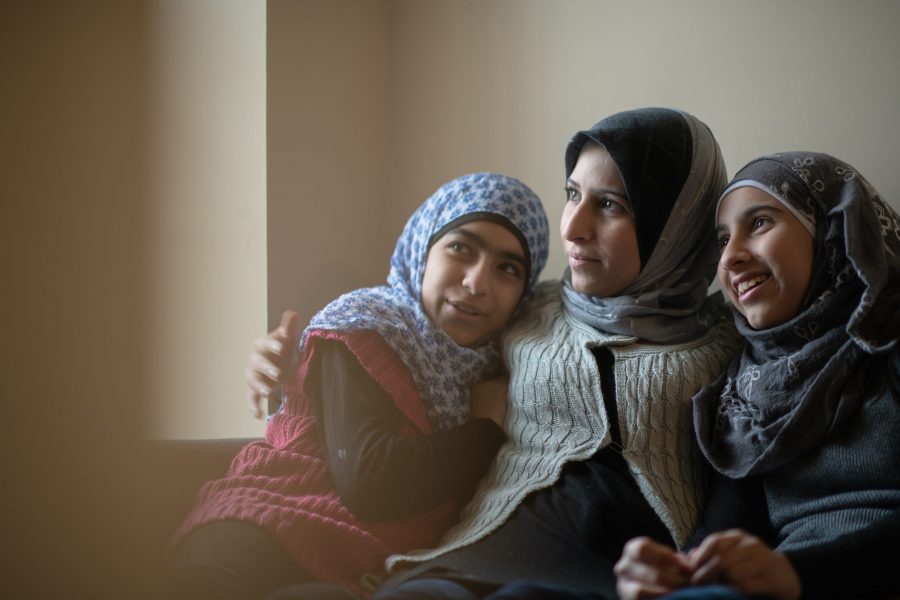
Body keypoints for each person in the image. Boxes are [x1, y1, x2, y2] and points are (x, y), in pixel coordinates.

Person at [373, 107, 743, 600]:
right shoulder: (532, 307)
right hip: (469, 559)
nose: (573, 228)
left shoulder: (727, 345)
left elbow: (745, 478)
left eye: (610, 205)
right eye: (573, 194)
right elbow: (415, 347)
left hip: (614, 578)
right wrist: (301, 368)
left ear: (675, 222)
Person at [165, 172, 550, 600]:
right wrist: (483, 434)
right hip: (259, 533)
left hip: (353, 573)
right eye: (461, 248)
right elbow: (372, 482)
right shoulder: (365, 322)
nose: (477, 283)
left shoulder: (501, 370)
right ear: (423, 246)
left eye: (507, 269)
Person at [614, 152, 900, 600]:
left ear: (830, 229)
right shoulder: (744, 392)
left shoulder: (890, 339)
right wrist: (670, 573)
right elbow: (722, 537)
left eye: (760, 223)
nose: (731, 258)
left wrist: (802, 573)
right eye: (723, 240)